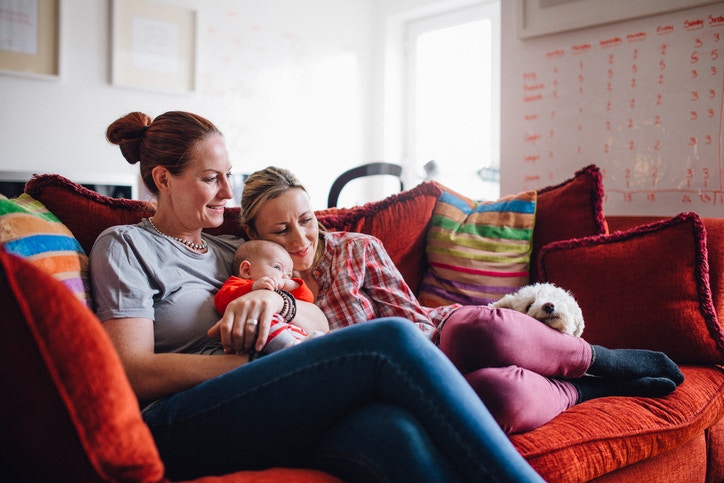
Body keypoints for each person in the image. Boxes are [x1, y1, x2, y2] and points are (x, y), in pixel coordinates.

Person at [90, 110, 546, 482]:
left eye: (229, 176)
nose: (228, 193)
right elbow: (133, 372)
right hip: (178, 419)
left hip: (266, 397)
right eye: (212, 179)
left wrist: (275, 302)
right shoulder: (125, 246)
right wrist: (257, 363)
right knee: (390, 340)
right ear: (163, 179)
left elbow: (319, 320)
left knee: (395, 432)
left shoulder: (234, 248)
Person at [238, 166, 685, 435]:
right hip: (389, 383)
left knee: (479, 329)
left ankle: (603, 359)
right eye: (281, 231)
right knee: (499, 397)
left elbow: (410, 317)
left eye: (306, 220)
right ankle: (587, 388)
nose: (301, 239)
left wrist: (430, 362)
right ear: (254, 236)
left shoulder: (356, 248)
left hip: (431, 338)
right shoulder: (255, 285)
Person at [208, 239, 319, 358]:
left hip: (291, 334)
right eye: (277, 267)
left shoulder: (282, 290)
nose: (284, 276)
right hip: (252, 338)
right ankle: (292, 348)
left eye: (289, 274)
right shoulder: (237, 284)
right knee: (264, 320)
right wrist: (253, 287)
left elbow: (308, 299)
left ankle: (309, 344)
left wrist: (292, 284)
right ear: (246, 270)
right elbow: (221, 301)